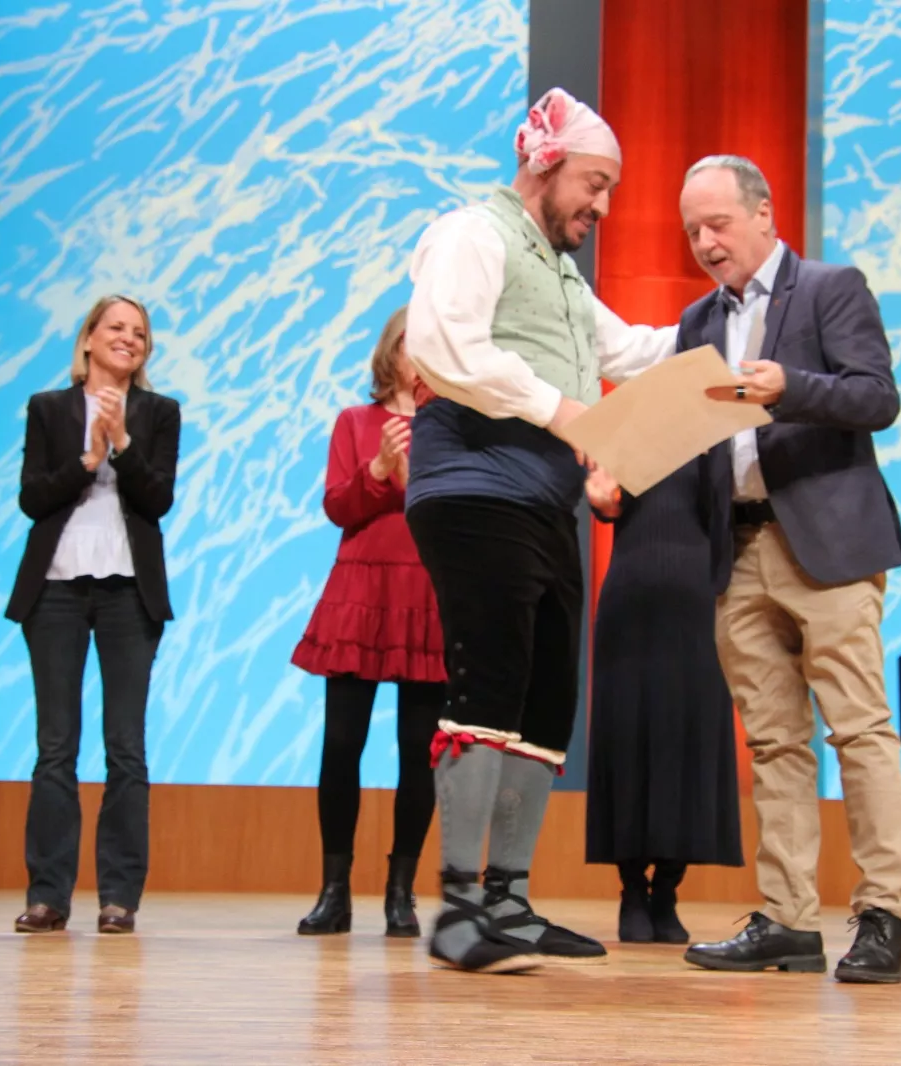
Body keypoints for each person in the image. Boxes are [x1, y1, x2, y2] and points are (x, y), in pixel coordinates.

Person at [403, 86, 679, 973]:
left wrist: (731, 326)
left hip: (540, 499)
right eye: (594, 187)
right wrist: (566, 412)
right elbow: (446, 347)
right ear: (544, 163)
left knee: (546, 699)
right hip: (474, 484)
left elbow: (632, 349)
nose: (601, 209)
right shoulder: (472, 234)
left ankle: (508, 900)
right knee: (490, 684)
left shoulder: (561, 273)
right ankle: (453, 912)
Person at [674, 155, 901, 984]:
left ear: (765, 213)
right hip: (738, 549)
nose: (706, 243)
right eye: (693, 231)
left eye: (718, 224)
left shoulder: (830, 287)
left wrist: (793, 388)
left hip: (828, 544)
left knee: (860, 729)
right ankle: (788, 919)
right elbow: (696, 436)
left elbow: (876, 397)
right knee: (775, 743)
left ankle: (886, 914)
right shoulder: (696, 322)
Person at [7, 294, 181, 935]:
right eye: (116, 327)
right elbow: (32, 499)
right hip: (53, 590)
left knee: (126, 749)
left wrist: (124, 446)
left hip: (128, 594)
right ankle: (48, 895)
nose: (128, 339)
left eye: (139, 333)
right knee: (56, 749)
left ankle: (119, 898)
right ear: (86, 339)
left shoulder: (160, 412)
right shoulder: (48, 409)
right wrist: (87, 459)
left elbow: (157, 499)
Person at [291, 308, 447, 938]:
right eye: (417, 342)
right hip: (361, 589)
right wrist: (380, 470)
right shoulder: (355, 422)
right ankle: (334, 891)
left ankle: (401, 892)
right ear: (393, 349)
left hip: (429, 590)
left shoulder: (454, 428)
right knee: (342, 745)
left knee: (419, 751)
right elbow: (338, 507)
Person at [584, 451, 743, 944]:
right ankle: (632, 889)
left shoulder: (717, 435)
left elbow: (727, 518)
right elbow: (606, 502)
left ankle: (668, 890)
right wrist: (598, 500)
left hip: (697, 598)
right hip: (630, 593)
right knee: (628, 735)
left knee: (687, 741)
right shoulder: (630, 430)